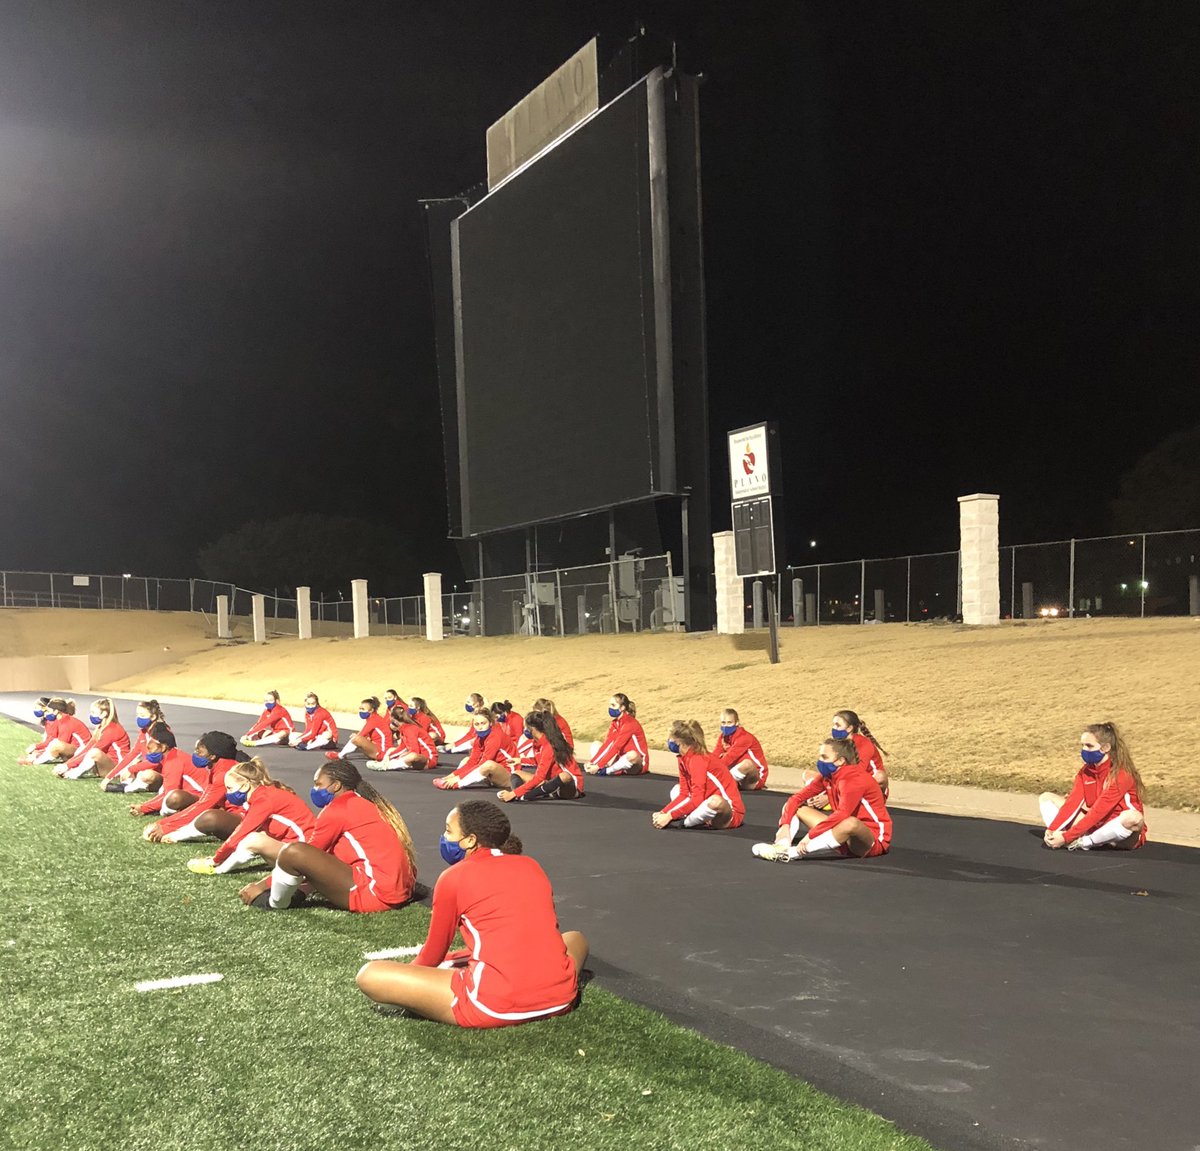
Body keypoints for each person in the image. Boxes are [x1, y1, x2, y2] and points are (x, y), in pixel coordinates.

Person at [355, 800, 588, 1027]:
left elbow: (432, 956)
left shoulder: (453, 878)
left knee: (370, 974)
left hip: (493, 1004)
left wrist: (407, 979)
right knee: (576, 938)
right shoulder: (531, 865)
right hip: (561, 998)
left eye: (449, 831)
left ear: (470, 840)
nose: (444, 838)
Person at [236, 758, 417, 912]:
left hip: (375, 895)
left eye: (318, 784)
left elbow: (306, 855)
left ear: (336, 785)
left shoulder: (338, 809)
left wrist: (260, 885)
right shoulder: (367, 804)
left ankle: (275, 903)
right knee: (316, 856)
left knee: (294, 852)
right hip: (399, 891)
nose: (314, 789)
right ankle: (296, 891)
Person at [752, 737, 892, 862]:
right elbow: (796, 798)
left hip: (872, 840)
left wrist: (810, 837)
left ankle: (793, 853)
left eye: (824, 757)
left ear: (841, 761)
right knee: (798, 807)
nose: (820, 761)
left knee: (851, 823)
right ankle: (781, 846)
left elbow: (843, 813)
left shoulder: (853, 779)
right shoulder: (828, 776)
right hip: (843, 833)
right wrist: (785, 825)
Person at [185, 757, 318, 874]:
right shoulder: (261, 795)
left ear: (245, 786)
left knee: (253, 839)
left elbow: (241, 833)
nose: (227, 793)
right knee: (255, 837)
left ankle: (216, 869)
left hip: (305, 852)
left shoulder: (264, 800)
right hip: (298, 849)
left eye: (230, 788)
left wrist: (216, 859)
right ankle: (219, 864)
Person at [1040, 722, 1147, 851]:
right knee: (1046, 798)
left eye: (1089, 746)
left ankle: (1083, 842)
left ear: (1105, 747)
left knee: (1133, 818)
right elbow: (1073, 803)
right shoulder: (1085, 772)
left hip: (1122, 833)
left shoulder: (1121, 775)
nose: (1084, 750)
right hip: (1097, 826)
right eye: (1083, 745)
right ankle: (1063, 837)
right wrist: (1052, 828)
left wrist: (1067, 837)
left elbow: (1099, 811)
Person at [142, 731, 249, 844]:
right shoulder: (219, 767)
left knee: (210, 817)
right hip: (230, 812)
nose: (195, 754)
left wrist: (165, 827)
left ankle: (177, 835)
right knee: (199, 807)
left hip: (245, 818)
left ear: (212, 756)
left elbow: (202, 806)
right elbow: (203, 802)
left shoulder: (224, 773)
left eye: (199, 752)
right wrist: (163, 823)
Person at [652, 720, 744, 831]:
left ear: (681, 742)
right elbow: (684, 794)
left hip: (728, 813)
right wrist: (664, 812)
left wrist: (669, 816)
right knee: (676, 789)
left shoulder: (698, 760)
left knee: (715, 802)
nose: (669, 742)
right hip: (704, 801)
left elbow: (697, 800)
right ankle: (693, 818)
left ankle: (685, 822)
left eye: (671, 739)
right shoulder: (683, 758)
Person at [499, 710, 584, 802]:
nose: (524, 730)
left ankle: (526, 795)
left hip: (569, 787)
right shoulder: (536, 743)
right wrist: (520, 760)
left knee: (564, 776)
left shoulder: (549, 746)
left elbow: (539, 777)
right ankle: (535, 792)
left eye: (526, 728)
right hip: (550, 782)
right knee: (517, 773)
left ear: (533, 728)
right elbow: (539, 760)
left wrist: (513, 793)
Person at [128, 725, 210, 818]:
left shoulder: (173, 762)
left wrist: (144, 808)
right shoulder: (172, 755)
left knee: (173, 797)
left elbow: (168, 795)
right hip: (197, 795)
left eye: (151, 750)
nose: (149, 753)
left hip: (201, 798)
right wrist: (144, 806)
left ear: (163, 747)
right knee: (164, 791)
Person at [433, 707, 515, 790]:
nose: (480, 727)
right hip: (492, 775)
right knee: (467, 760)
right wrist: (449, 777)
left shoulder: (495, 737)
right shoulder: (478, 739)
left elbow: (483, 763)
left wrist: (458, 779)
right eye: (477, 724)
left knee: (488, 764)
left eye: (483, 723)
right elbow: (472, 762)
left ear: (490, 723)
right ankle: (449, 781)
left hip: (509, 776)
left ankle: (456, 784)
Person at [54, 698, 130, 780]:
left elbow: (93, 751)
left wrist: (67, 766)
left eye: (93, 712)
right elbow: (88, 747)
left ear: (103, 714)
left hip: (117, 769)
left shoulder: (112, 730)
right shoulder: (101, 727)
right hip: (105, 765)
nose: (91, 715)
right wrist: (68, 764)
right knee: (84, 749)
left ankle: (74, 774)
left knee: (94, 752)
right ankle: (71, 770)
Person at [100, 700, 168, 792]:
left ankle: (125, 788)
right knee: (135, 762)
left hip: (164, 773)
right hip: (152, 769)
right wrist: (109, 777)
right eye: (138, 715)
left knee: (146, 774)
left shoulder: (161, 732)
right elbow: (132, 755)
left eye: (143, 715)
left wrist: (131, 769)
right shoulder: (144, 732)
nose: (139, 718)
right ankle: (129, 784)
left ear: (153, 717)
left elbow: (156, 762)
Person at [586, 693, 648, 775]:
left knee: (632, 755)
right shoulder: (615, 723)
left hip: (636, 764)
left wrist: (599, 765)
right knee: (595, 744)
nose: (610, 708)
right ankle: (602, 768)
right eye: (610, 705)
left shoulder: (629, 723)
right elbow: (607, 744)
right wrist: (592, 762)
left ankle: (608, 771)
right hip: (621, 758)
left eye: (613, 705)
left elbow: (616, 746)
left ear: (622, 707)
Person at [831, 709, 889, 795]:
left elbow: (858, 772)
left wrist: (831, 794)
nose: (834, 728)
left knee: (880, 776)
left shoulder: (863, 744)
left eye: (837, 725)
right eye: (833, 725)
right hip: (846, 783)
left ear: (849, 728)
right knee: (807, 775)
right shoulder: (837, 744)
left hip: (866, 784)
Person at [713, 708, 770, 790]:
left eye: (729, 723)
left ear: (737, 723)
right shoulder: (723, 737)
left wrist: (714, 771)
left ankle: (724, 783)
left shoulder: (744, 737)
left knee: (747, 764)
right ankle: (726, 783)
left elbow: (730, 757)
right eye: (723, 723)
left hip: (755, 777)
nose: (725, 726)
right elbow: (716, 753)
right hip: (739, 775)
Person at [20, 698, 89, 765]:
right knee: (54, 745)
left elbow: (58, 744)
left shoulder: (65, 723)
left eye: (48, 711)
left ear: (56, 711)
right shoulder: (62, 720)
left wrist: (37, 756)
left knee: (56, 745)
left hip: (83, 750)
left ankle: (35, 761)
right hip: (77, 748)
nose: (46, 713)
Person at [325, 697, 392, 764]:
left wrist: (357, 736)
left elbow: (361, 734)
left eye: (363, 709)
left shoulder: (374, 720)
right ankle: (342, 754)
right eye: (360, 708)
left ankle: (340, 755)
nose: (360, 711)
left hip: (382, 752)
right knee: (358, 738)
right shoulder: (371, 719)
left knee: (357, 739)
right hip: (377, 748)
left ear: (371, 710)